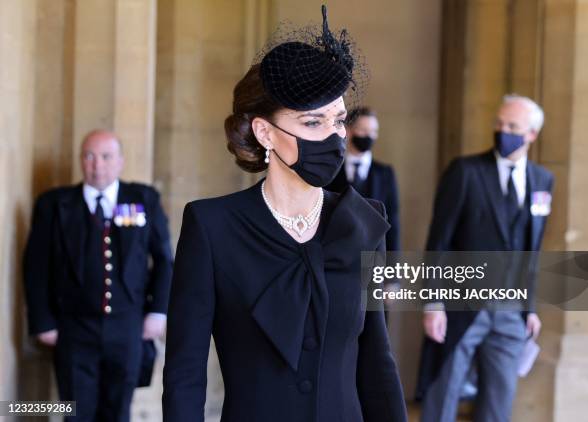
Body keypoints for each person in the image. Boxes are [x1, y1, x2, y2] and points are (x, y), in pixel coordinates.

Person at [162, 6, 407, 422]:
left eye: (339, 121)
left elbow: (376, 362)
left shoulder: (363, 223)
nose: (333, 138)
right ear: (264, 132)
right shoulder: (212, 228)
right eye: (313, 123)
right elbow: (185, 374)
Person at [416, 95, 554, 422]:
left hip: (511, 311)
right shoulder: (465, 172)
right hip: (461, 305)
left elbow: (532, 251)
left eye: (512, 126)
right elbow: (440, 241)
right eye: (499, 124)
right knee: (443, 397)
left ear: (531, 134)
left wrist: (530, 308)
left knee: (498, 404)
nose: (502, 131)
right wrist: (433, 302)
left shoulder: (542, 180)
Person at [23, 130, 173, 421]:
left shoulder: (143, 198)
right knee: (76, 412)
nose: (97, 164)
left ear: (120, 162)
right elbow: (36, 267)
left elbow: (165, 260)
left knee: (118, 412)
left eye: (106, 156)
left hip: (129, 327)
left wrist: (158, 312)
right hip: (73, 328)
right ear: (81, 161)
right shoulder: (54, 205)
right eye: (89, 156)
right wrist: (43, 321)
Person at [326, 106, 401, 251]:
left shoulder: (385, 173)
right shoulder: (331, 171)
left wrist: (393, 268)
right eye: (363, 130)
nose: (369, 136)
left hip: (374, 255)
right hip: (337, 254)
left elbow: (393, 223)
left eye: (373, 132)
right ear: (348, 131)